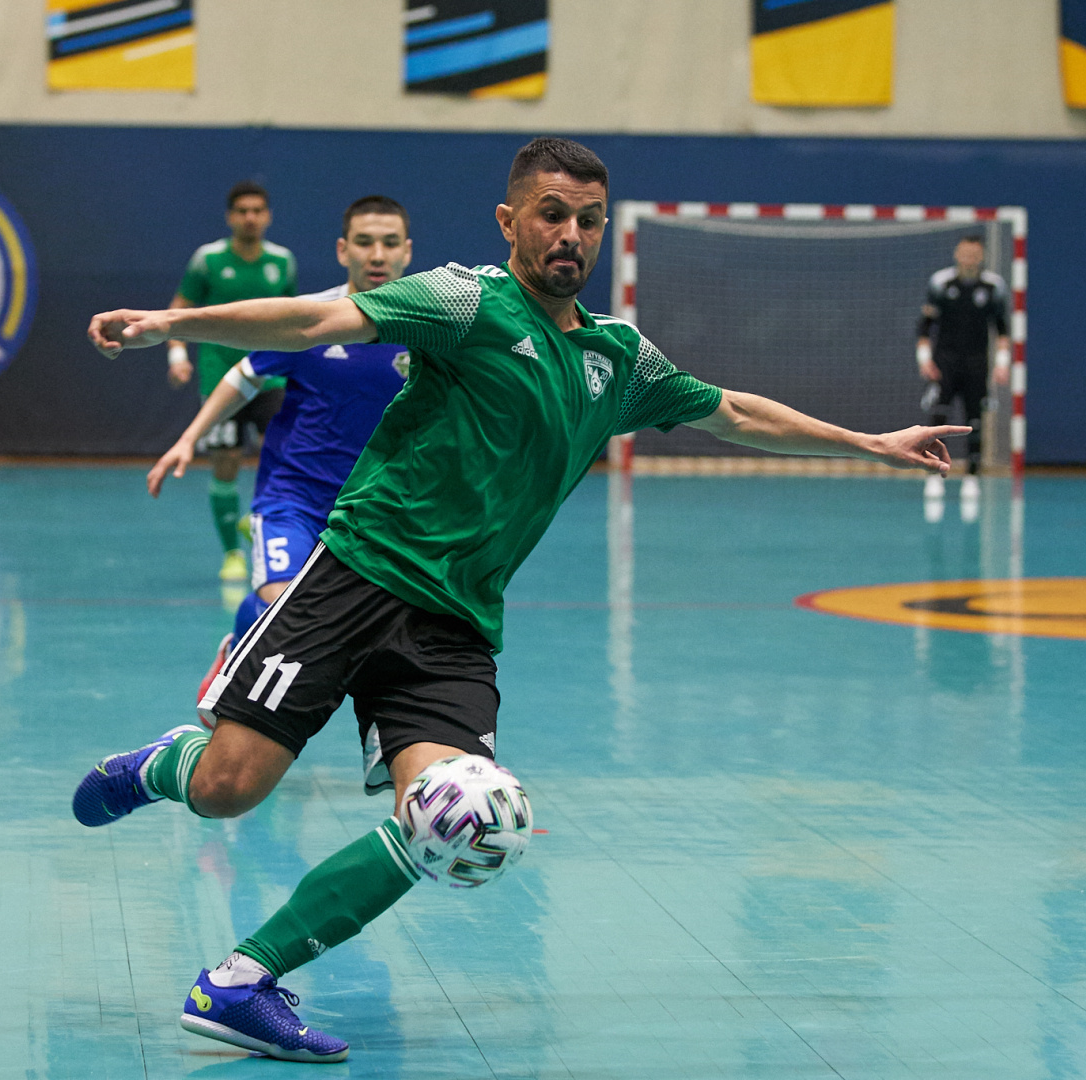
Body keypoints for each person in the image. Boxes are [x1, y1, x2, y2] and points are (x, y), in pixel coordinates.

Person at [72, 137, 967, 1063]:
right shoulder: (465, 301)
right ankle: (165, 766)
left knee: (458, 815)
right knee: (227, 791)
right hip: (358, 577)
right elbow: (315, 319)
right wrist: (170, 325)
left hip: (456, 625)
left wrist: (870, 443)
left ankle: (241, 981)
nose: (571, 234)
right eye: (552, 214)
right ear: (510, 221)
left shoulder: (617, 358)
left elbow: (733, 410)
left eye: (589, 220)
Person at [150, 195, 414, 716]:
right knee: (281, 598)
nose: (377, 254)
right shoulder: (313, 319)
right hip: (293, 498)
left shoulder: (427, 328)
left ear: (407, 251)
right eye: (364, 242)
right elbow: (245, 375)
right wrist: (189, 437)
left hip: (373, 510)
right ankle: (239, 647)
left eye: (389, 243)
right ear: (343, 250)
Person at [168, 181, 299, 584]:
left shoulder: (283, 261)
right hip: (220, 379)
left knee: (284, 459)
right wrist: (177, 356)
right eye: (242, 211)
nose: (250, 218)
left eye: (257, 210)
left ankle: (261, 521)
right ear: (230, 217)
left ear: (268, 216)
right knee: (225, 465)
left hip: (271, 377)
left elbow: (293, 319)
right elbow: (179, 309)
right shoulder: (207, 260)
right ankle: (232, 555)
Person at [916, 233, 1011, 504]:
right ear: (957, 254)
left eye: (974, 254)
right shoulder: (941, 283)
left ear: (981, 257)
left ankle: (972, 478)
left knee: (974, 420)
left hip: (977, 365)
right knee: (937, 420)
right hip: (944, 364)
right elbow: (924, 327)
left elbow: (1002, 331)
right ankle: (934, 476)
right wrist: (924, 359)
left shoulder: (993, 286)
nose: (969, 258)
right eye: (965, 253)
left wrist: (1002, 364)